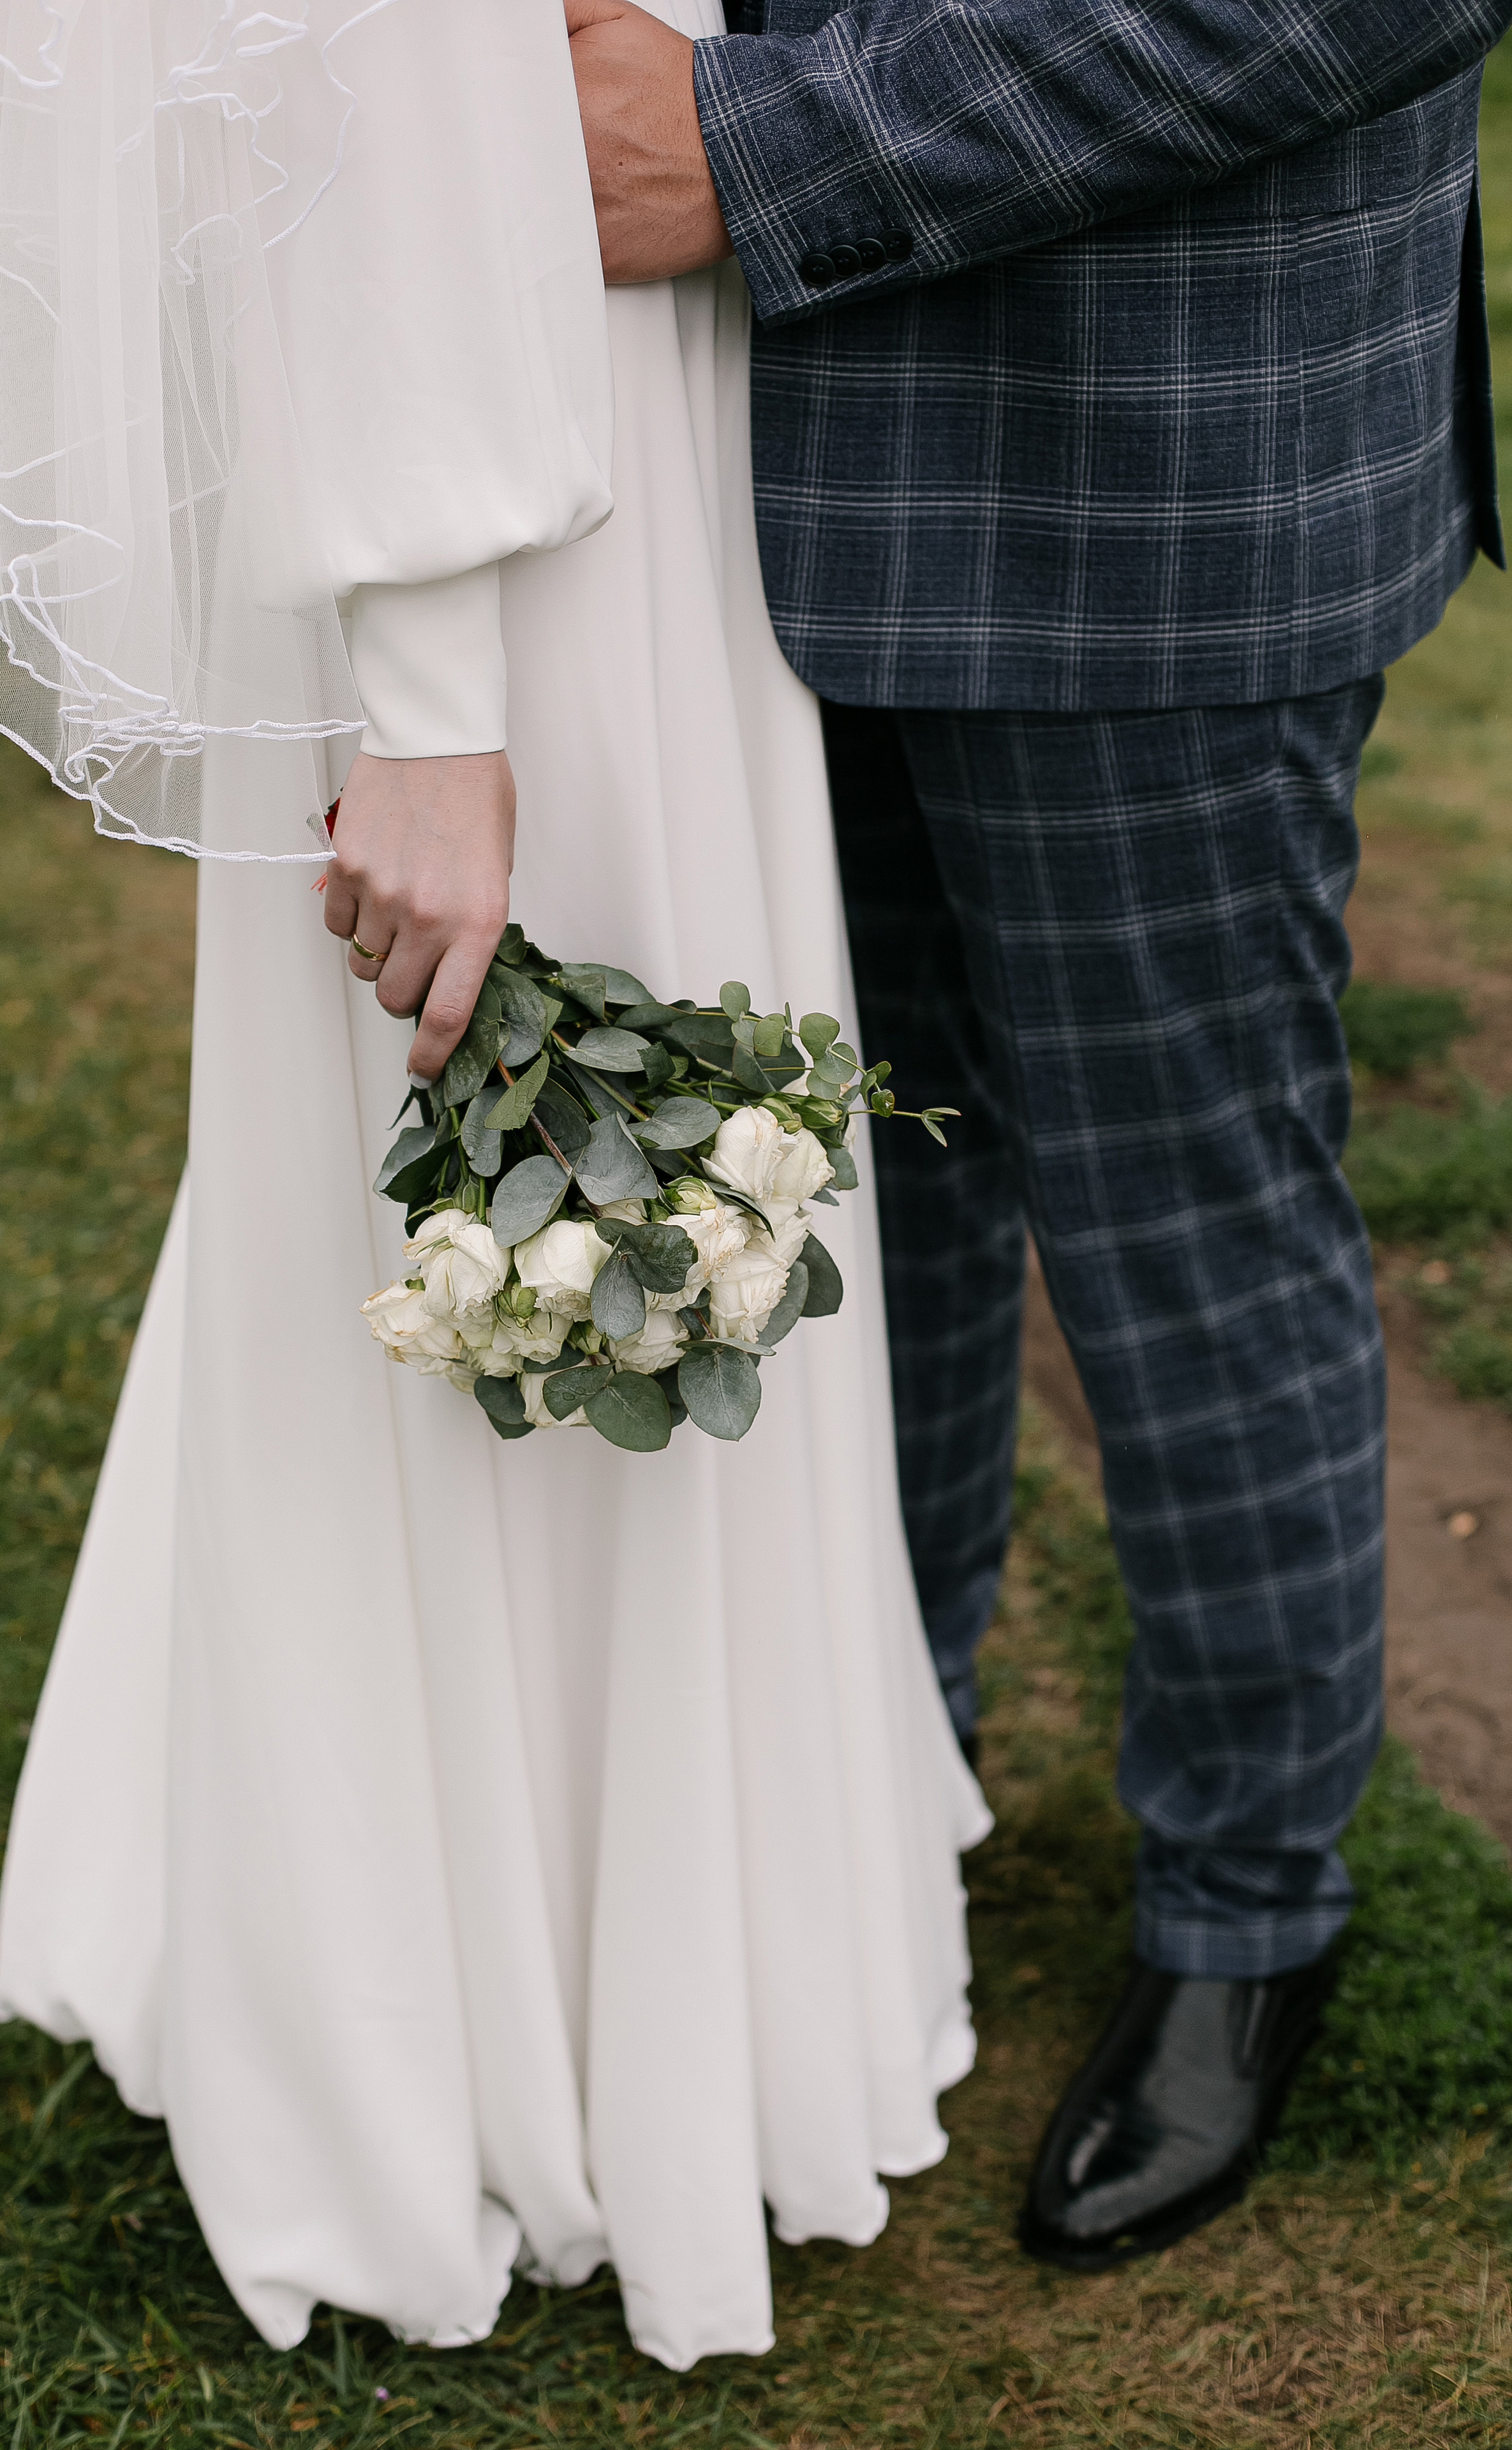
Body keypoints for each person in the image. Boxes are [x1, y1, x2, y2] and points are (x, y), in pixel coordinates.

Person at [0, 0, 989, 2372]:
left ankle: (610, 1981)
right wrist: (432, 702)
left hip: (604, 435)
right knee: (493, 1212)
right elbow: (374, 71)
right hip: (519, 517)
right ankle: (475, 2040)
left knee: (604, 1221)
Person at [560, 0, 1511, 2268]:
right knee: (843, 1200)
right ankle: (889, 1798)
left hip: (1161, 444)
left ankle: (1248, 1907)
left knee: (1187, 1222)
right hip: (697, 468)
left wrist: (769, 143)